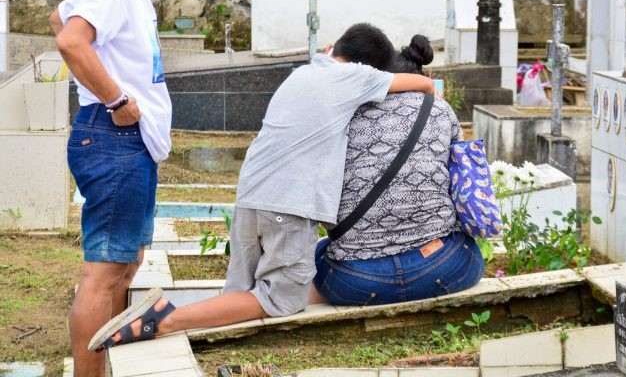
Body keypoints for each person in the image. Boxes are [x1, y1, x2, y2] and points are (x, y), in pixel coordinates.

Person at [88, 23, 436, 350]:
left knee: (240, 291)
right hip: (287, 204)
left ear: (332, 47)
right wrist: (418, 80)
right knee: (281, 300)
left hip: (251, 195)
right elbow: (422, 86)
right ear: (370, 69)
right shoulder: (356, 78)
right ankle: (165, 318)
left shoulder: (304, 71)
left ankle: (199, 334)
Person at [49, 0, 181, 376]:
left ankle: (101, 369)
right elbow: (69, 39)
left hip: (129, 142)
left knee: (125, 264)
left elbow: (58, 17)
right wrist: (117, 100)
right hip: (114, 137)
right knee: (104, 274)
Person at [313, 35, 485, 306]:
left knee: (322, 252)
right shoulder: (440, 109)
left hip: (354, 281)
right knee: (466, 248)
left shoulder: (344, 113)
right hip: (444, 266)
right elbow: (463, 182)